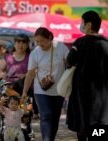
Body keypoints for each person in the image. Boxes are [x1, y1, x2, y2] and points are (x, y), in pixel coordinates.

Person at [66, 10, 108, 141]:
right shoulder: (106, 43)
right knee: (98, 133)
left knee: (82, 130)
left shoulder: (79, 43)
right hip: (102, 99)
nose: (81, 25)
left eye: (82, 22)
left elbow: (69, 62)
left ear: (89, 24)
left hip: (82, 95)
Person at [22, 27, 69, 141]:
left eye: (42, 41)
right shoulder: (35, 53)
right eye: (37, 41)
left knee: (55, 117)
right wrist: (24, 91)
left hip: (59, 89)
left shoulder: (60, 47)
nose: (39, 44)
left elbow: (70, 64)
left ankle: (50, 138)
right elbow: (30, 74)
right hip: (41, 89)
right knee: (46, 115)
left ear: (49, 38)